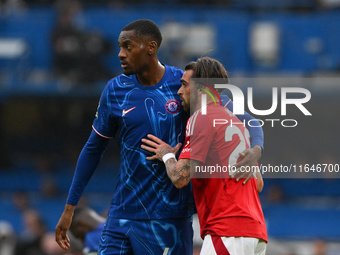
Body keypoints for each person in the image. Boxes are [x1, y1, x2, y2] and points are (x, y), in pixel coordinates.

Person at [55, 19, 264, 255]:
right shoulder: (115, 90)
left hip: (168, 219)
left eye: (128, 47)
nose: (121, 54)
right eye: (119, 47)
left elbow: (246, 119)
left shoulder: (184, 85)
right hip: (121, 214)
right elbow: (93, 149)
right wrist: (70, 206)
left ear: (151, 47)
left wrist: (256, 149)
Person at [141, 57, 267, 255]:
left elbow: (180, 178)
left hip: (227, 230)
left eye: (184, 85)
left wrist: (167, 155)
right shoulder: (237, 123)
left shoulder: (201, 117)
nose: (179, 91)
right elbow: (257, 184)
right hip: (255, 232)